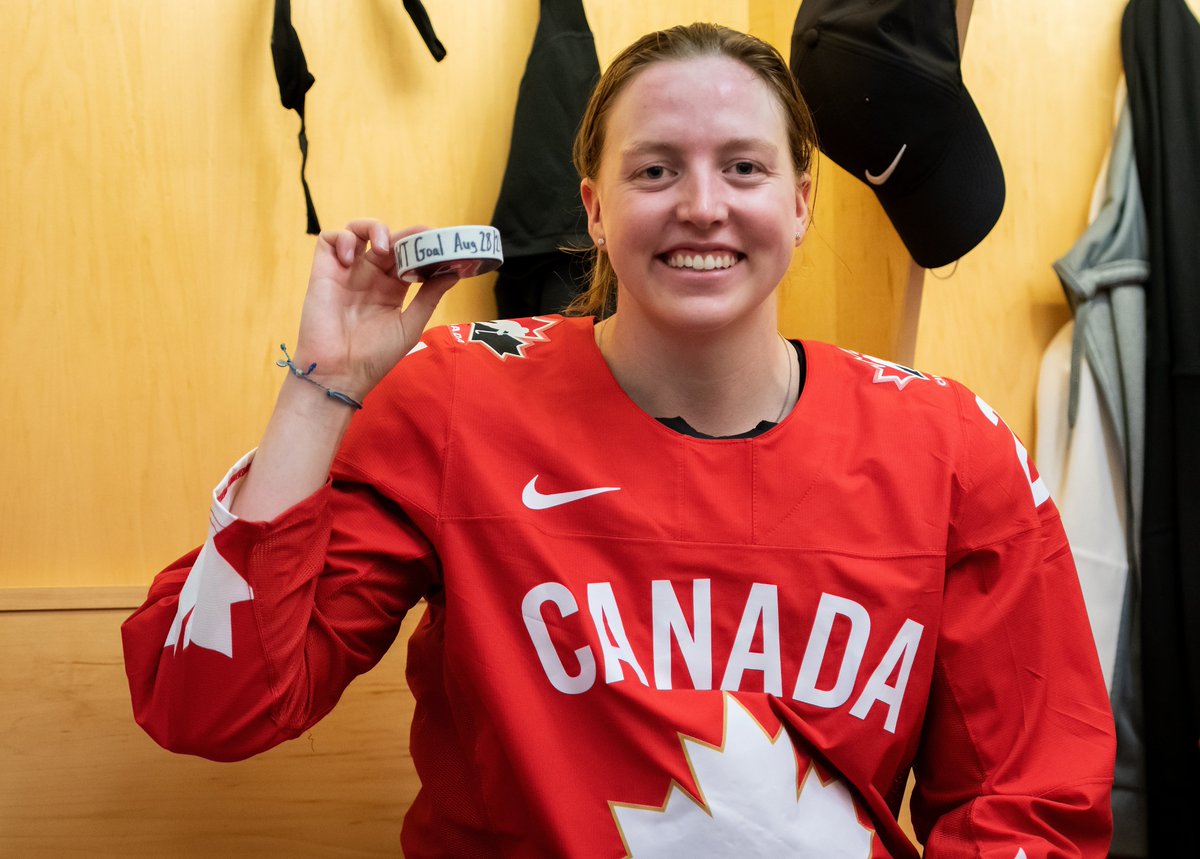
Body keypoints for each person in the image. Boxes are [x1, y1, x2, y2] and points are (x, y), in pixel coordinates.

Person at [122, 22, 1116, 858]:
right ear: (594, 209)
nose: (701, 203)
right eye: (655, 169)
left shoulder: (953, 444)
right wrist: (321, 393)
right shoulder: (459, 396)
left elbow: (1030, 796)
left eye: (743, 166)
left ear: (801, 202)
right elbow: (207, 702)